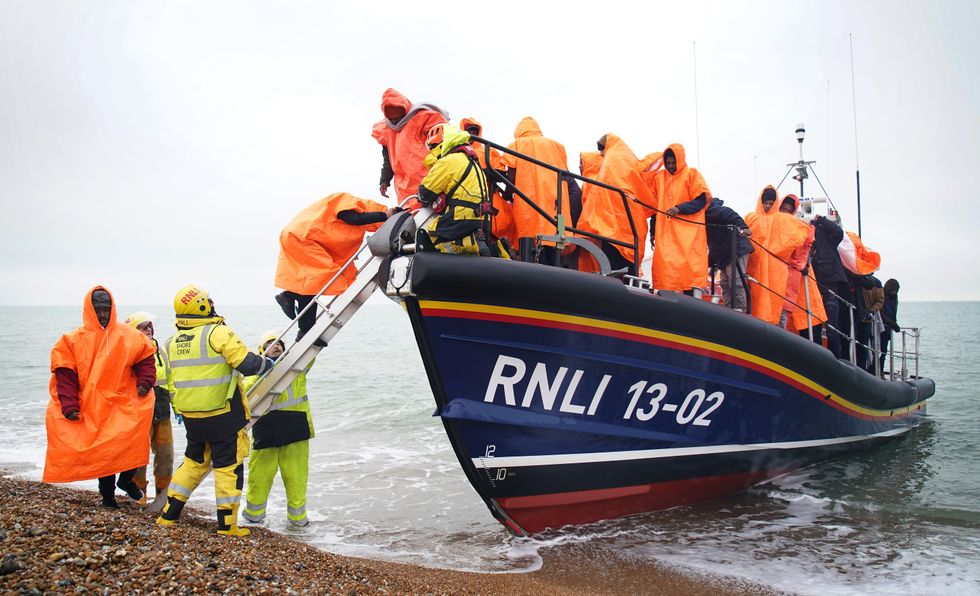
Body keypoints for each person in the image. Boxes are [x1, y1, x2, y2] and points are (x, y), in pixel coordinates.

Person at [156, 285, 276, 537]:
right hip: (222, 415)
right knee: (228, 466)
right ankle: (227, 525)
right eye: (207, 301)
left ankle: (169, 514)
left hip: (192, 418)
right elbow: (248, 364)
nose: (211, 304)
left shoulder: (171, 342)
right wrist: (269, 363)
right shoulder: (218, 333)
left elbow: (171, 380)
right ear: (201, 306)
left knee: (193, 462)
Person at [44, 287, 156, 508]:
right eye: (98, 310)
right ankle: (107, 496)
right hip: (92, 405)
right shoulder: (71, 340)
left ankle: (126, 480)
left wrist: (145, 382)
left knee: (132, 441)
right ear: (89, 310)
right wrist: (69, 405)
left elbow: (146, 359)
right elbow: (64, 375)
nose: (103, 315)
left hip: (124, 400)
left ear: (112, 309)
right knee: (104, 452)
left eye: (106, 309)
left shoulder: (129, 335)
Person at [274, 193, 396, 343]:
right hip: (303, 238)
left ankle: (305, 331)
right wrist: (384, 215)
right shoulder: (348, 201)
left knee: (311, 287)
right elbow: (354, 218)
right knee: (318, 281)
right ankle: (289, 296)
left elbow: (336, 232)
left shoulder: (347, 215)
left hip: (300, 237)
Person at [242, 332, 315, 527]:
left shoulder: (296, 367)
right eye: (270, 344)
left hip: (295, 430)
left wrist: (306, 334)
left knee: (297, 478)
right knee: (259, 476)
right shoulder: (253, 374)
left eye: (280, 343)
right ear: (261, 350)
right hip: (266, 431)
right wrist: (262, 372)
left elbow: (311, 353)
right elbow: (246, 393)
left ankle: (298, 520)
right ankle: (253, 517)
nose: (276, 346)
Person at [418, 124, 507, 257]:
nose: (431, 151)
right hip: (483, 219)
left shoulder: (448, 161)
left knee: (433, 234)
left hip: (462, 217)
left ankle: (471, 246)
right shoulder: (472, 161)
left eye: (432, 147)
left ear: (441, 144)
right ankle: (495, 249)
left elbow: (424, 193)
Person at [577, 133, 655, 275]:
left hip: (612, 226)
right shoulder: (627, 157)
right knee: (624, 264)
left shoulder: (610, 162)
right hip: (629, 222)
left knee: (613, 264)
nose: (601, 154)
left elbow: (598, 199)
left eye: (601, 151)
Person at [499, 116, 572, 261]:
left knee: (531, 245)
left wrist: (507, 195)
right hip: (556, 205)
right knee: (553, 246)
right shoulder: (557, 147)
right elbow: (565, 175)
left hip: (530, 203)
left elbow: (511, 176)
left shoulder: (517, 145)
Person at [123, 312, 175, 508]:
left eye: (150, 326)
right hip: (139, 411)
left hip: (161, 409)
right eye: (143, 327)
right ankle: (138, 495)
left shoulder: (160, 352)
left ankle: (163, 496)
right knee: (139, 455)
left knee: (165, 455)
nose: (148, 330)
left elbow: (170, 380)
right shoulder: (128, 353)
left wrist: (176, 406)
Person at [647, 143, 711, 293]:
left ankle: (690, 305)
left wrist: (679, 208)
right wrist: (652, 232)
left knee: (689, 275)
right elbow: (655, 208)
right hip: (666, 236)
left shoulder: (691, 175)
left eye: (673, 162)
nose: (670, 166)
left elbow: (701, 200)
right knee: (665, 275)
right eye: (668, 163)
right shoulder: (659, 179)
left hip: (688, 236)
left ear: (680, 160)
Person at [371, 88, 448, 208]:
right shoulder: (385, 130)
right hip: (404, 188)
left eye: (399, 115)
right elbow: (388, 160)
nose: (396, 120)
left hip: (430, 179)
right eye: (392, 118)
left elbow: (442, 141)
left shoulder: (424, 117)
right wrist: (384, 180)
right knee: (411, 220)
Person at [744, 186, 810, 324]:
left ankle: (777, 341)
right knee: (754, 305)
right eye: (765, 202)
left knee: (776, 306)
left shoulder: (783, 219)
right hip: (753, 270)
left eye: (771, 203)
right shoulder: (750, 217)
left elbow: (806, 234)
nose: (767, 206)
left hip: (775, 273)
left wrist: (797, 261)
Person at [460, 117, 515, 247]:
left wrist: (482, 173)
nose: (472, 134)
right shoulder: (458, 152)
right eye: (469, 130)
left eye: (475, 130)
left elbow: (501, 172)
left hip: (488, 196)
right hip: (466, 199)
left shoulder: (488, 151)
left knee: (502, 224)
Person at [778, 195, 827, 338]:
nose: (785, 214)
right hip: (786, 293)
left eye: (788, 211)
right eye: (783, 210)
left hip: (803, 294)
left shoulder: (800, 232)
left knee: (810, 333)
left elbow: (798, 254)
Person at [704, 197, 753, 311]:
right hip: (724, 252)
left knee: (736, 281)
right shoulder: (705, 215)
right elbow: (713, 244)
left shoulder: (716, 211)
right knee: (725, 283)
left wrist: (744, 228)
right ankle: (729, 310)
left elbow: (732, 216)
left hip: (737, 249)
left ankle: (740, 311)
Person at [810, 213, 849, 358]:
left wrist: (821, 220)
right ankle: (818, 359)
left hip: (829, 285)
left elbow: (838, 232)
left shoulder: (827, 238)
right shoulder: (802, 237)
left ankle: (836, 359)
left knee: (832, 328)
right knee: (814, 328)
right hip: (812, 287)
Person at [879, 278, 901, 373]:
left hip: (888, 328)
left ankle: (881, 370)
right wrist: (892, 323)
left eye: (895, 290)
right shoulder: (882, 295)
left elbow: (893, 313)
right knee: (879, 351)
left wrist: (893, 323)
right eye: (892, 290)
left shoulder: (895, 298)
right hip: (881, 327)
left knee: (884, 352)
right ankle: (877, 370)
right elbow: (881, 313)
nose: (894, 292)